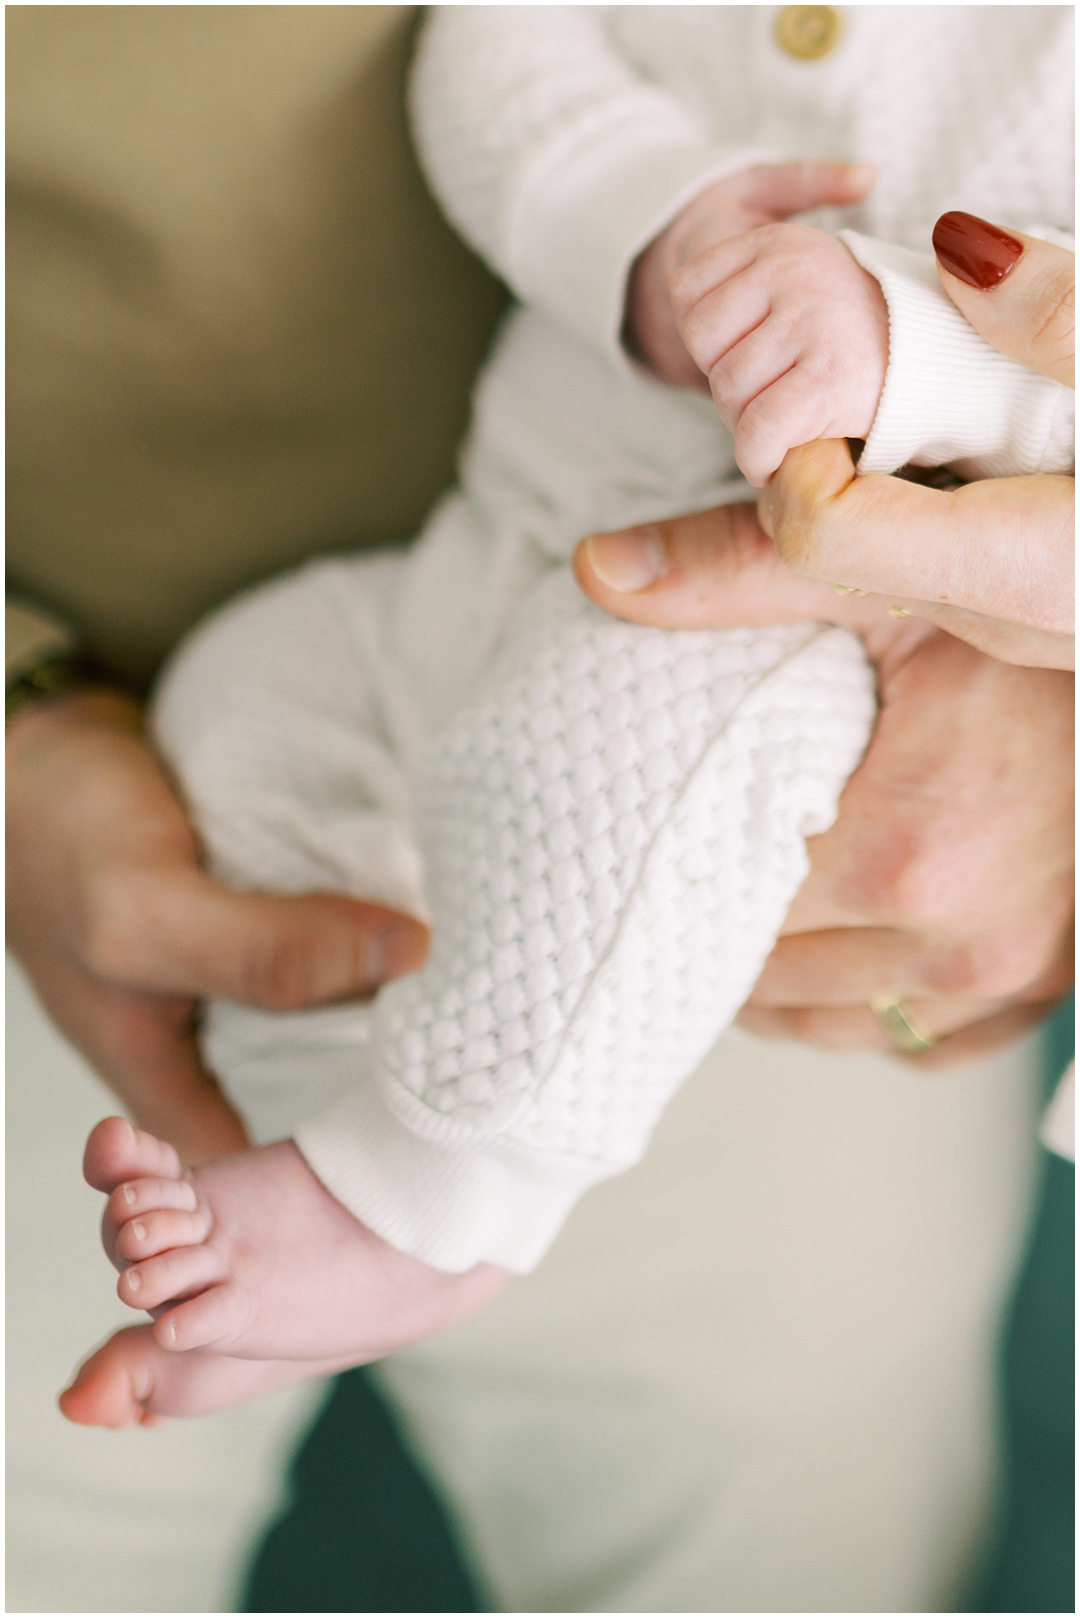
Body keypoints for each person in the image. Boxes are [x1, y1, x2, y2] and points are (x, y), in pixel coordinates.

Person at [56, 6, 1072, 1432]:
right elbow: (498, 55)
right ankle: (287, 1162)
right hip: (483, 536)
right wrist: (652, 225)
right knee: (247, 699)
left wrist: (909, 355)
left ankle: (433, 1204)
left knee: (584, 770)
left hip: (777, 614)